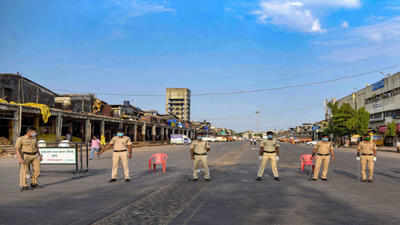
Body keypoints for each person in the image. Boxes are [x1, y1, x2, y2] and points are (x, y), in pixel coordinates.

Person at [15, 127, 42, 192]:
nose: (35, 133)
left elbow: (37, 147)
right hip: (26, 156)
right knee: (24, 171)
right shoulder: (21, 139)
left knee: (37, 170)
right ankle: (24, 185)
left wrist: (40, 155)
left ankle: (34, 183)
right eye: (33, 132)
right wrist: (19, 158)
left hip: (35, 155)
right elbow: (17, 149)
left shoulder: (34, 138)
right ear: (29, 131)